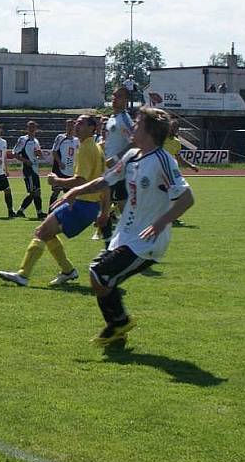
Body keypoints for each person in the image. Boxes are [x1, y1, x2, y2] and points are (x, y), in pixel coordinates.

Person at [59, 107, 194, 345]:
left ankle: (118, 323)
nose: (132, 127)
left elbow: (186, 198)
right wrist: (77, 189)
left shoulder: (164, 160)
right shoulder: (132, 155)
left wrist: (160, 224)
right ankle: (118, 328)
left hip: (147, 241)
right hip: (125, 235)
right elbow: (107, 179)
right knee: (98, 274)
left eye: (138, 123)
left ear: (150, 131)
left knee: (100, 275)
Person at [0, 114, 108, 286]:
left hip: (82, 205)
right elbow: (105, 183)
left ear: (92, 128)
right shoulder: (96, 148)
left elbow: (81, 181)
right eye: (76, 123)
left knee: (41, 232)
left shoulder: (87, 148)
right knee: (46, 233)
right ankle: (68, 270)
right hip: (88, 206)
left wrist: (57, 181)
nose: (77, 126)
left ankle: (23, 275)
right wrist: (104, 210)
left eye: (81, 123)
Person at [100, 87, 134, 246]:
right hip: (109, 171)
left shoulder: (124, 119)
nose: (114, 98)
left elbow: (134, 142)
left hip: (118, 171)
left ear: (126, 100)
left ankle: (121, 243)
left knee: (116, 208)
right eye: (114, 95)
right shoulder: (113, 118)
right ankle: (109, 245)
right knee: (107, 208)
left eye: (118, 96)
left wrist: (116, 158)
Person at [163, 118, 199, 226]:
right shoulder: (159, 138)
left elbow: (179, 159)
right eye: (172, 127)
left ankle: (171, 217)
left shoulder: (177, 143)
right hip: (158, 171)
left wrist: (191, 166)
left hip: (170, 173)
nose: (174, 129)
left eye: (176, 128)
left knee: (179, 195)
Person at [12, 121, 46, 219]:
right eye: (30, 127)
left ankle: (38, 212)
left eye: (34, 127)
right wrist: (26, 161)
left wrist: (39, 154)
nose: (32, 129)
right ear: (26, 128)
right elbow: (15, 153)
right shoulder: (23, 139)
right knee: (33, 192)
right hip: (28, 170)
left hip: (35, 169)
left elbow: (38, 156)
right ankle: (21, 211)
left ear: (36, 129)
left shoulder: (36, 141)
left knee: (37, 192)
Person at [48, 119, 79, 208]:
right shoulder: (60, 137)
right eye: (68, 126)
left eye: (71, 126)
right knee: (56, 191)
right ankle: (51, 211)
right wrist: (60, 162)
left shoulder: (77, 140)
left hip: (71, 171)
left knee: (71, 193)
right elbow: (54, 151)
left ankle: (70, 212)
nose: (69, 128)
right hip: (60, 169)